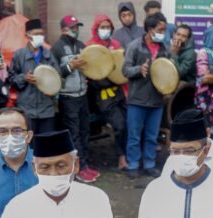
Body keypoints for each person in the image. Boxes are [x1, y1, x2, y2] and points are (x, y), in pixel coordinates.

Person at [122, 12, 170, 179]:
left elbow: (170, 72)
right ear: (150, 29)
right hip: (137, 100)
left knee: (152, 136)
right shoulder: (135, 46)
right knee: (134, 136)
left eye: (164, 30)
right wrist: (138, 70)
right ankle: (133, 164)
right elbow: (125, 70)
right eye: (160, 29)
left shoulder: (165, 48)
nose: (163, 33)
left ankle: (149, 164)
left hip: (156, 101)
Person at [52, 15, 98, 183]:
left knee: (85, 131)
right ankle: (78, 168)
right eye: (72, 27)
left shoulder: (81, 46)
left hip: (82, 95)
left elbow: (90, 68)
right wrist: (71, 66)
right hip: (68, 97)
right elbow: (54, 73)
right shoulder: (56, 48)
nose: (75, 30)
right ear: (63, 29)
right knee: (74, 134)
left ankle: (85, 164)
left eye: (77, 27)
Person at [86, 14, 129, 170]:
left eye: (108, 27)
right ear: (96, 28)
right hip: (102, 95)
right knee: (120, 124)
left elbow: (121, 69)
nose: (106, 30)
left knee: (129, 123)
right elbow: (92, 75)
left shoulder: (116, 45)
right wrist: (108, 79)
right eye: (102, 27)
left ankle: (127, 155)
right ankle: (121, 158)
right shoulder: (90, 47)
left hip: (118, 91)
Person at [9, 18, 59, 134]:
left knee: (46, 143)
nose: (40, 37)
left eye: (41, 34)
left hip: (47, 109)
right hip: (26, 109)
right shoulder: (19, 55)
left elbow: (58, 77)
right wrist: (24, 78)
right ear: (27, 36)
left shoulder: (48, 54)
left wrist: (53, 90)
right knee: (29, 144)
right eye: (36, 34)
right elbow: (11, 79)